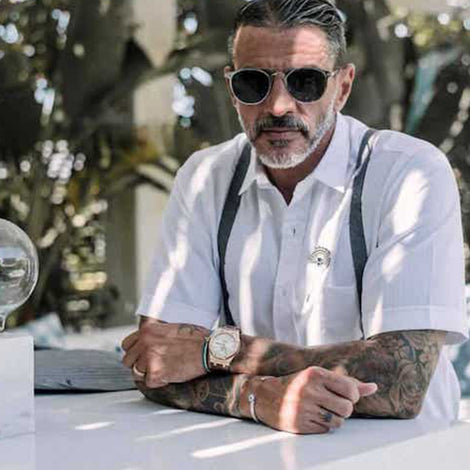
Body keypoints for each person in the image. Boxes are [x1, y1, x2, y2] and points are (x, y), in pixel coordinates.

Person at [121, 0, 468, 434]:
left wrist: (217, 351)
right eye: (253, 83)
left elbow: (402, 378)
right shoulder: (206, 178)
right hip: (264, 451)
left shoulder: (408, 172)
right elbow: (154, 361)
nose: (279, 105)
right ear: (232, 88)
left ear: (342, 87)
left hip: (406, 453)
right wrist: (255, 398)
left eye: (305, 81)